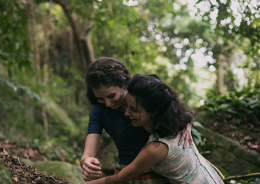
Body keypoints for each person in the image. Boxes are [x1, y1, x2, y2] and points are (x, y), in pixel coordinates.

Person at [84, 74, 224, 184]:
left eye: (132, 109)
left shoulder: (156, 147)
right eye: (127, 107)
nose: (126, 113)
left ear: (153, 111)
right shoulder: (173, 125)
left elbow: (118, 179)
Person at [81, 57, 193, 184]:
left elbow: (172, 108)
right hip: (126, 173)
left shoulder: (143, 94)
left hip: (159, 172)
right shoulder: (99, 111)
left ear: (124, 83)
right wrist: (86, 161)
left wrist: (186, 125)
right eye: (100, 98)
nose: (107, 103)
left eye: (112, 96)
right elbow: (88, 153)